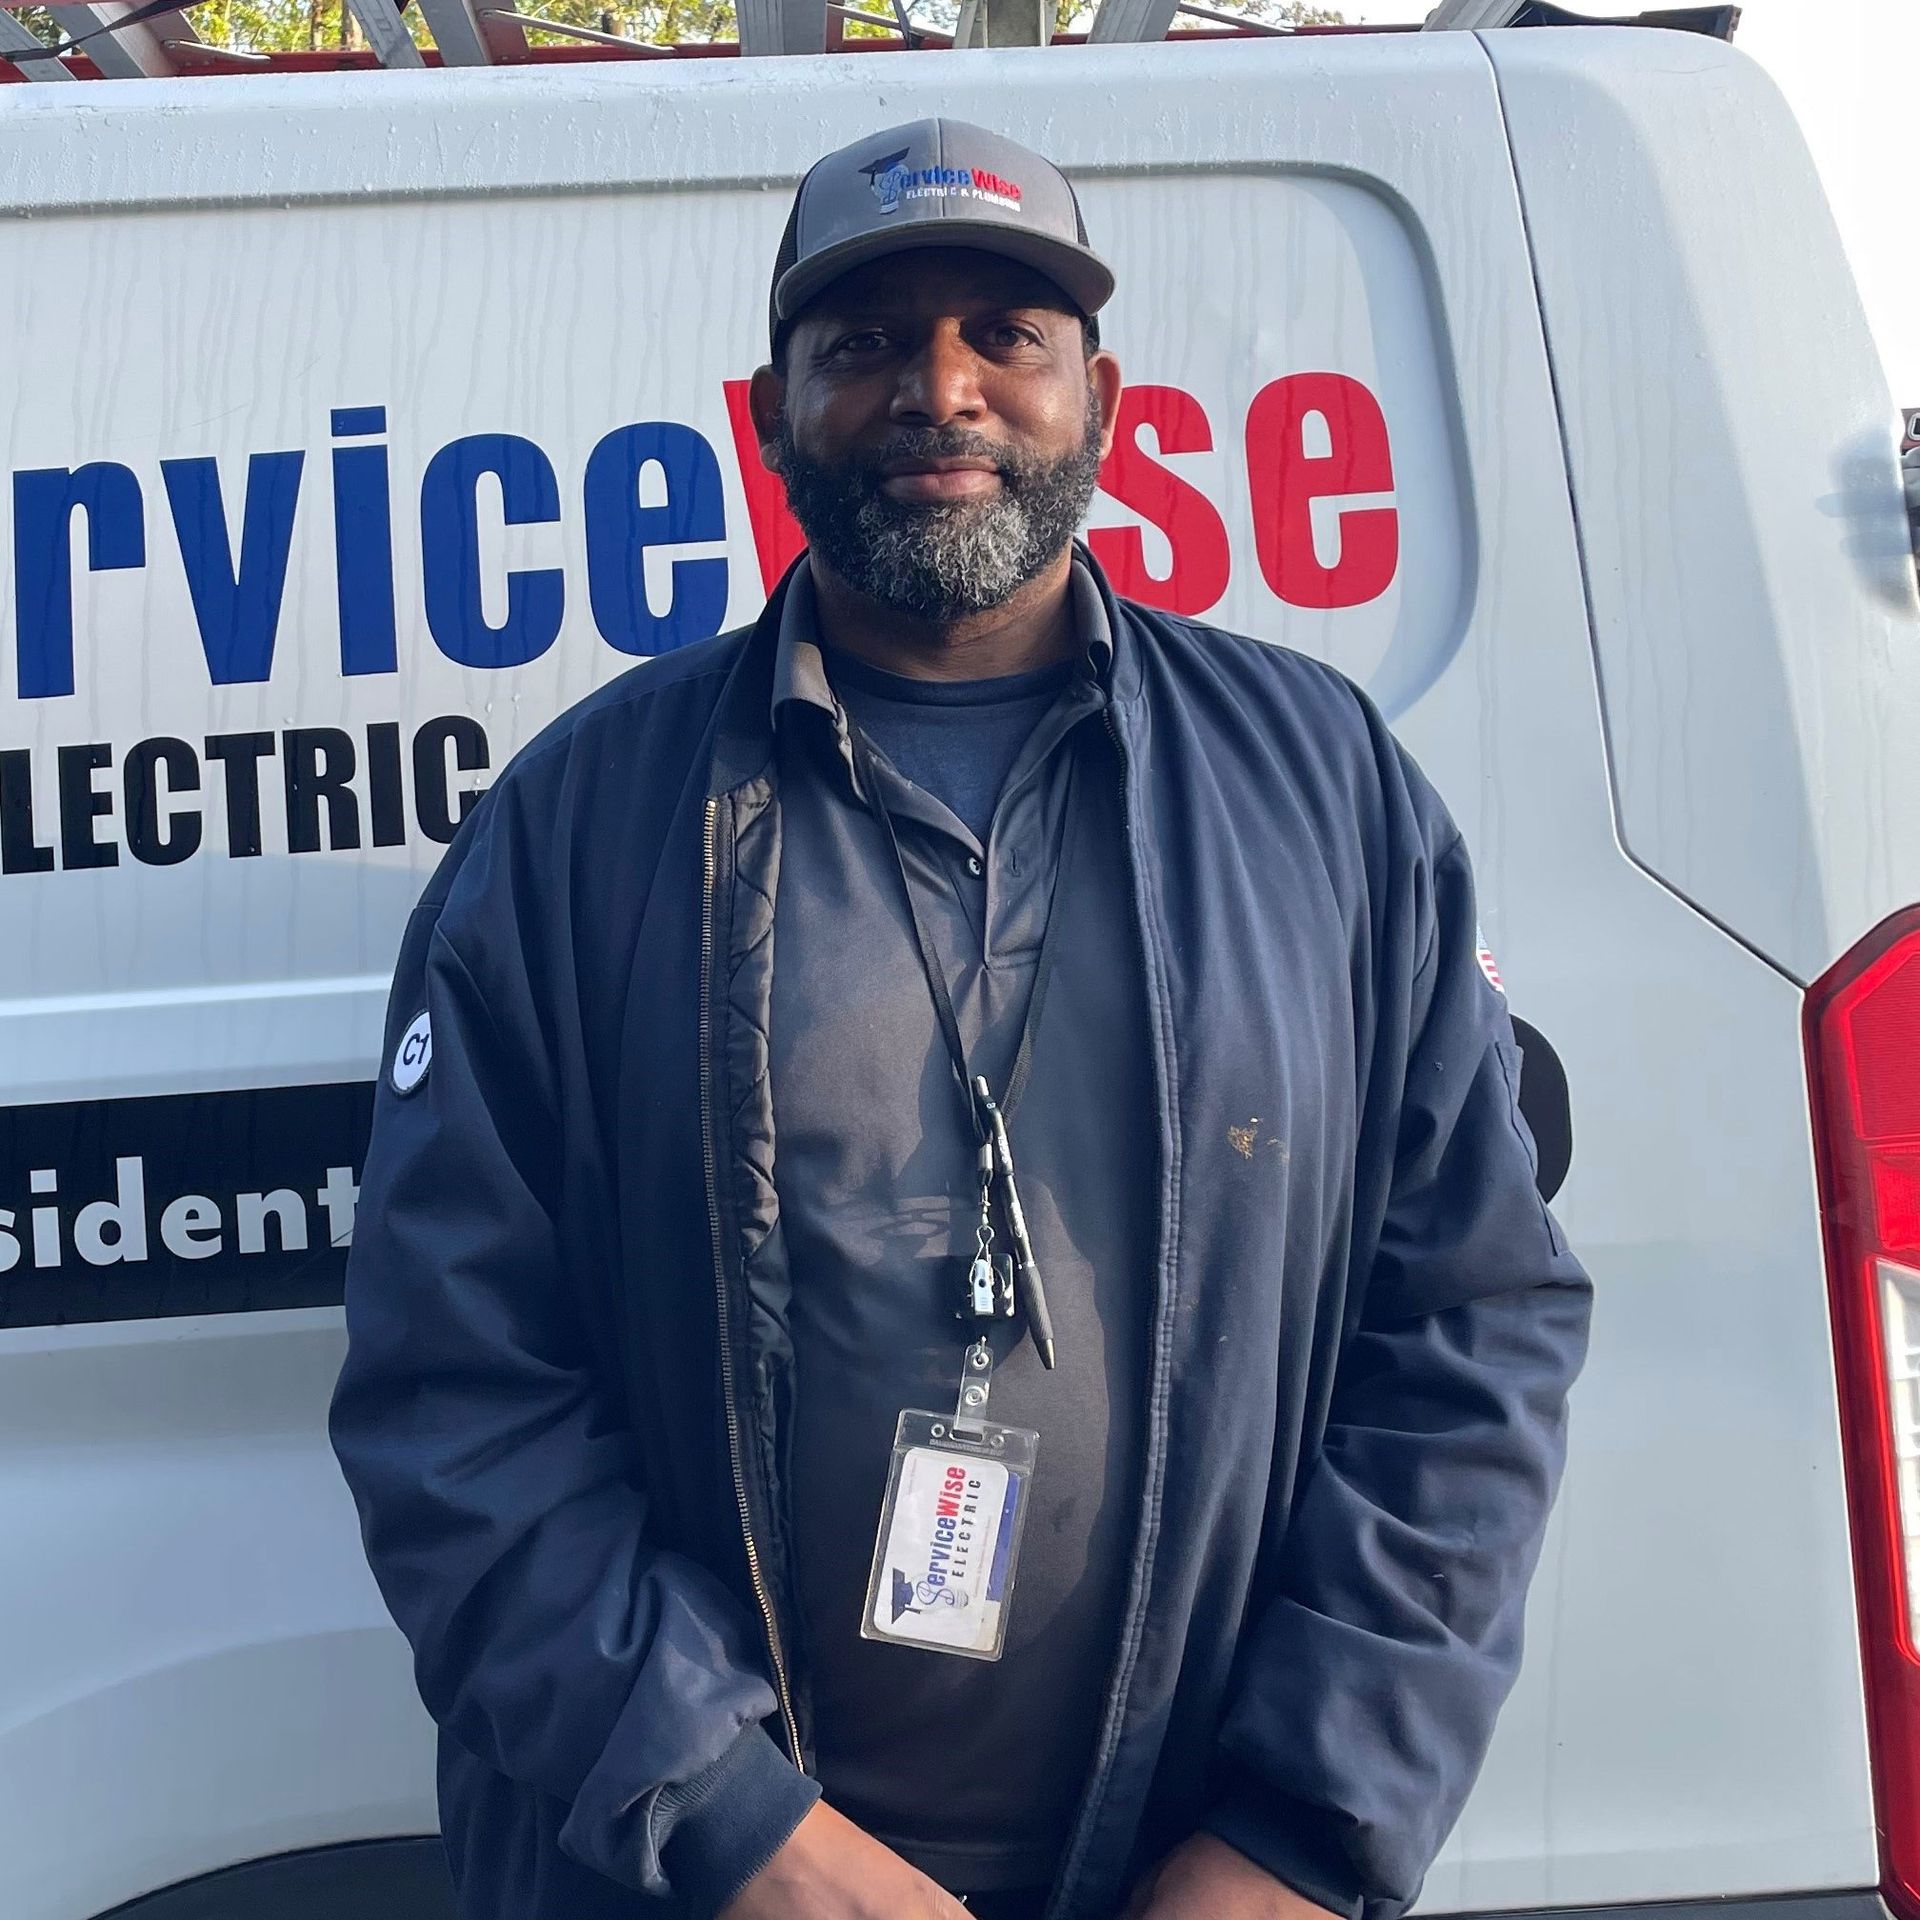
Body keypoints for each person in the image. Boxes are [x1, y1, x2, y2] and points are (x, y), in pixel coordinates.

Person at [329, 118, 1592, 1920]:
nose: (941, 389)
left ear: (1106, 397)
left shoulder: (1321, 792)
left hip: (1195, 1870)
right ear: (771, 412)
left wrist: (1302, 1838)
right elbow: (454, 1397)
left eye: (1006, 334)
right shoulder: (578, 826)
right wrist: (739, 1832)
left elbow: (1473, 1329)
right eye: (865, 344)